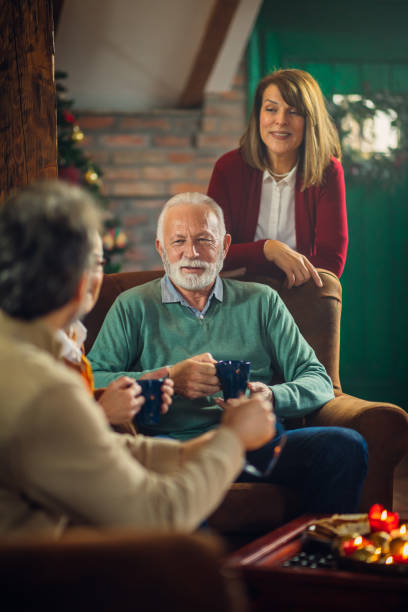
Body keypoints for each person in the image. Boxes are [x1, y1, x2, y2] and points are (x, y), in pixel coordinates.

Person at [0, 181, 275, 536]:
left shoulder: (24, 356)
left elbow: (90, 446)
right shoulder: (50, 390)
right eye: (99, 262)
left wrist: (191, 452)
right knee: (194, 553)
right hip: (41, 576)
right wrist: (233, 439)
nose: (190, 251)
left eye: (203, 239)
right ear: (81, 281)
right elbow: (159, 517)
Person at [88, 192, 367, 515]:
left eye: (204, 240)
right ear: (160, 249)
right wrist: (170, 378)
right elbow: (92, 378)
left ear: (225, 246)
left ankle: (310, 561)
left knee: (346, 446)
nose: (191, 253)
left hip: (257, 445)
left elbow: (318, 379)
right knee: (173, 494)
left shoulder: (262, 301)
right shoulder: (132, 306)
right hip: (176, 448)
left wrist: (271, 397)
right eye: (178, 241)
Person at [207, 68, 347, 286]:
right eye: (271, 109)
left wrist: (272, 277)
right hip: (239, 293)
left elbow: (331, 261)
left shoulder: (327, 171)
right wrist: (266, 249)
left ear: (310, 120)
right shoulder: (228, 168)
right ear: (258, 115)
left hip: (300, 292)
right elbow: (211, 251)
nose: (281, 120)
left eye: (294, 112)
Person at [58, 231, 171, 430]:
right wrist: (102, 412)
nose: (88, 278)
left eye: (97, 264)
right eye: (73, 261)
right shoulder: (20, 351)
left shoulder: (73, 334)